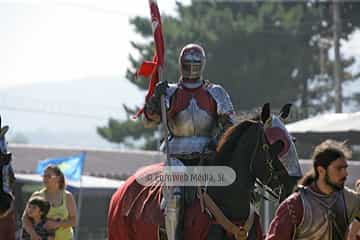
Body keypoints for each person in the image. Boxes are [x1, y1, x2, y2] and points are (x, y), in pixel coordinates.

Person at [143, 43, 237, 240]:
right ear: (181, 64)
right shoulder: (169, 92)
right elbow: (149, 119)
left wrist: (216, 143)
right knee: (174, 195)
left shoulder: (215, 92)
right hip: (177, 156)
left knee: (235, 185)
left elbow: (230, 126)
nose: (192, 67)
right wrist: (155, 99)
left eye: (196, 63)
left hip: (208, 155)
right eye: (189, 63)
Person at [265, 139, 360, 240]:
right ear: (321, 170)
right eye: (339, 168)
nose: (345, 174)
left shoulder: (349, 200)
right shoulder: (295, 204)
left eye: (345, 168)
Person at [22, 165, 77, 240]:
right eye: (44, 176)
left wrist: (57, 224)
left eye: (49, 176)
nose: (45, 178)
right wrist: (33, 234)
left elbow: (74, 221)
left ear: (58, 178)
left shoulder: (68, 196)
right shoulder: (37, 195)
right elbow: (25, 218)